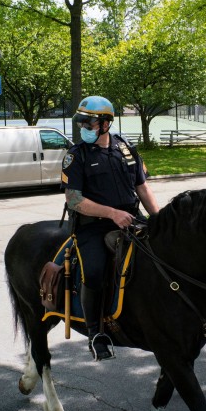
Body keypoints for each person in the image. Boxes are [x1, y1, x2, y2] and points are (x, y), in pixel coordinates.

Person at [62, 96, 160, 361]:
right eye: (81, 121)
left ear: (106, 123)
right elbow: (74, 200)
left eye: (89, 122)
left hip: (131, 218)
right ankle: (96, 333)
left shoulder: (126, 148)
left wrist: (159, 218)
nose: (83, 126)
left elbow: (142, 187)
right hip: (92, 226)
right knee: (93, 272)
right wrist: (111, 213)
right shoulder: (76, 155)